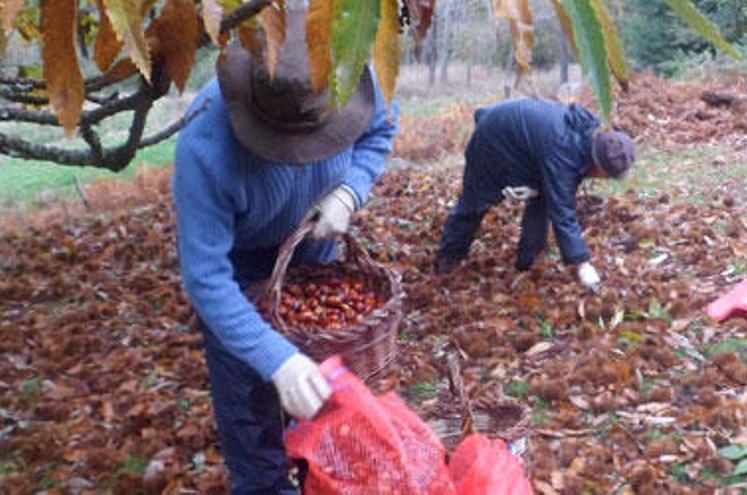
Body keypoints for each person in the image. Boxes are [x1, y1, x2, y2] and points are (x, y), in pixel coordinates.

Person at [171, 6, 399, 493]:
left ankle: (325, 475)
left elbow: (382, 129)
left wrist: (348, 192)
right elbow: (206, 277)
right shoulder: (205, 147)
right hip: (240, 271)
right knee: (253, 423)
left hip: (314, 255)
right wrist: (275, 358)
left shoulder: (348, 81)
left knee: (331, 405)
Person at [434, 98, 635, 290]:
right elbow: (563, 211)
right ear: (598, 166)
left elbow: (555, 185)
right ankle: (448, 258)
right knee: (475, 202)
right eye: (607, 176)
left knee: (544, 197)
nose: (605, 180)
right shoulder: (564, 153)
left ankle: (530, 260)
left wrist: (536, 188)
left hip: (524, 143)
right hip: (492, 138)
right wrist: (582, 263)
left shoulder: (589, 136)